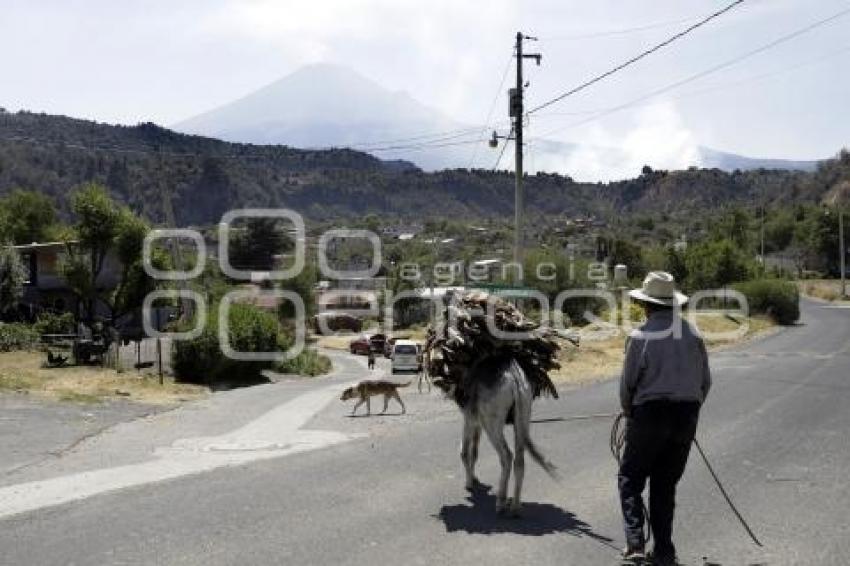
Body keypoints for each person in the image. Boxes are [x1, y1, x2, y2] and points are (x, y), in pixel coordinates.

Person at [618, 271, 711, 566]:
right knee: (664, 484)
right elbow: (705, 383)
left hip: (649, 414)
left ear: (646, 306)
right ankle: (664, 551)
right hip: (686, 415)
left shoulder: (639, 336)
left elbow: (628, 385)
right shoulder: (694, 336)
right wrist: (689, 413)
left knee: (630, 478)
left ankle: (635, 545)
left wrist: (631, 412)